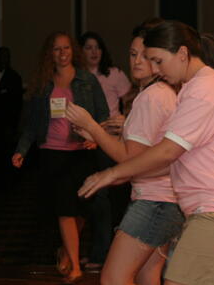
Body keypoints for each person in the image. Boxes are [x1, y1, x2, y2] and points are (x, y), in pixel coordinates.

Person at [77, 20, 214, 285]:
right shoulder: (196, 87)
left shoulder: (203, 87)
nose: (156, 69)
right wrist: (124, 173)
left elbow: (167, 151)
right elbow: (174, 160)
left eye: (159, 61)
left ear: (183, 54)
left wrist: (112, 172)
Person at [65, 24, 184, 285]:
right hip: (166, 199)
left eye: (145, 55)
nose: (138, 61)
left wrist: (92, 126)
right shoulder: (160, 93)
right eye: (133, 54)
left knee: (113, 278)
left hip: (155, 201)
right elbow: (143, 153)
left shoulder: (151, 97)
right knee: (146, 277)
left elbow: (130, 160)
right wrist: (98, 136)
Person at [11, 31, 109, 284]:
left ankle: (66, 250)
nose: (62, 53)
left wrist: (95, 137)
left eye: (66, 48)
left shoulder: (87, 80)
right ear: (50, 54)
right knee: (65, 209)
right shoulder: (44, 84)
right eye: (57, 49)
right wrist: (21, 150)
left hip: (82, 153)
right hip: (52, 154)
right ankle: (75, 266)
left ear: (72, 51)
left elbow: (102, 114)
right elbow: (32, 124)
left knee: (83, 210)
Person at [79, 31, 133, 267]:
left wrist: (123, 118)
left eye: (97, 47)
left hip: (108, 141)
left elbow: (130, 98)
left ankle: (104, 253)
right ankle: (89, 251)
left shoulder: (113, 74)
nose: (94, 52)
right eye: (89, 47)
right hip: (80, 142)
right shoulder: (77, 76)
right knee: (85, 199)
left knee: (105, 199)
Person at [0, 47, 23, 191]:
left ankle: (5, 185)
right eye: (1, 56)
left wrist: (12, 126)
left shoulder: (14, 78)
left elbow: (16, 105)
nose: (4, 59)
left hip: (4, 125)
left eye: (6, 56)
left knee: (4, 154)